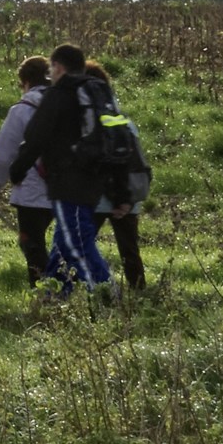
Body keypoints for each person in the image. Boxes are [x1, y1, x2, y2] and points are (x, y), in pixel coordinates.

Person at [5, 43, 122, 296]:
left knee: (75, 244)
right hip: (95, 182)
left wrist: (17, 170)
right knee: (61, 245)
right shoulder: (99, 93)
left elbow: (36, 137)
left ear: (58, 67)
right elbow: (118, 140)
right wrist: (119, 190)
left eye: (52, 68)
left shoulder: (58, 95)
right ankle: (53, 297)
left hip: (68, 184)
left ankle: (108, 294)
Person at [0, 56, 56, 285]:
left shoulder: (22, 110)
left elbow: (3, 155)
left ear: (25, 82)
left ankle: (45, 295)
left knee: (32, 246)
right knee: (66, 247)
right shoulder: (66, 105)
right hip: (66, 188)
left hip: (32, 191)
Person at [81, 59, 150, 292]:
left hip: (99, 196)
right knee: (130, 250)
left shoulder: (89, 122)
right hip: (128, 195)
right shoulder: (124, 121)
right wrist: (127, 199)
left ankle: (94, 291)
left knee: (82, 246)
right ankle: (139, 293)